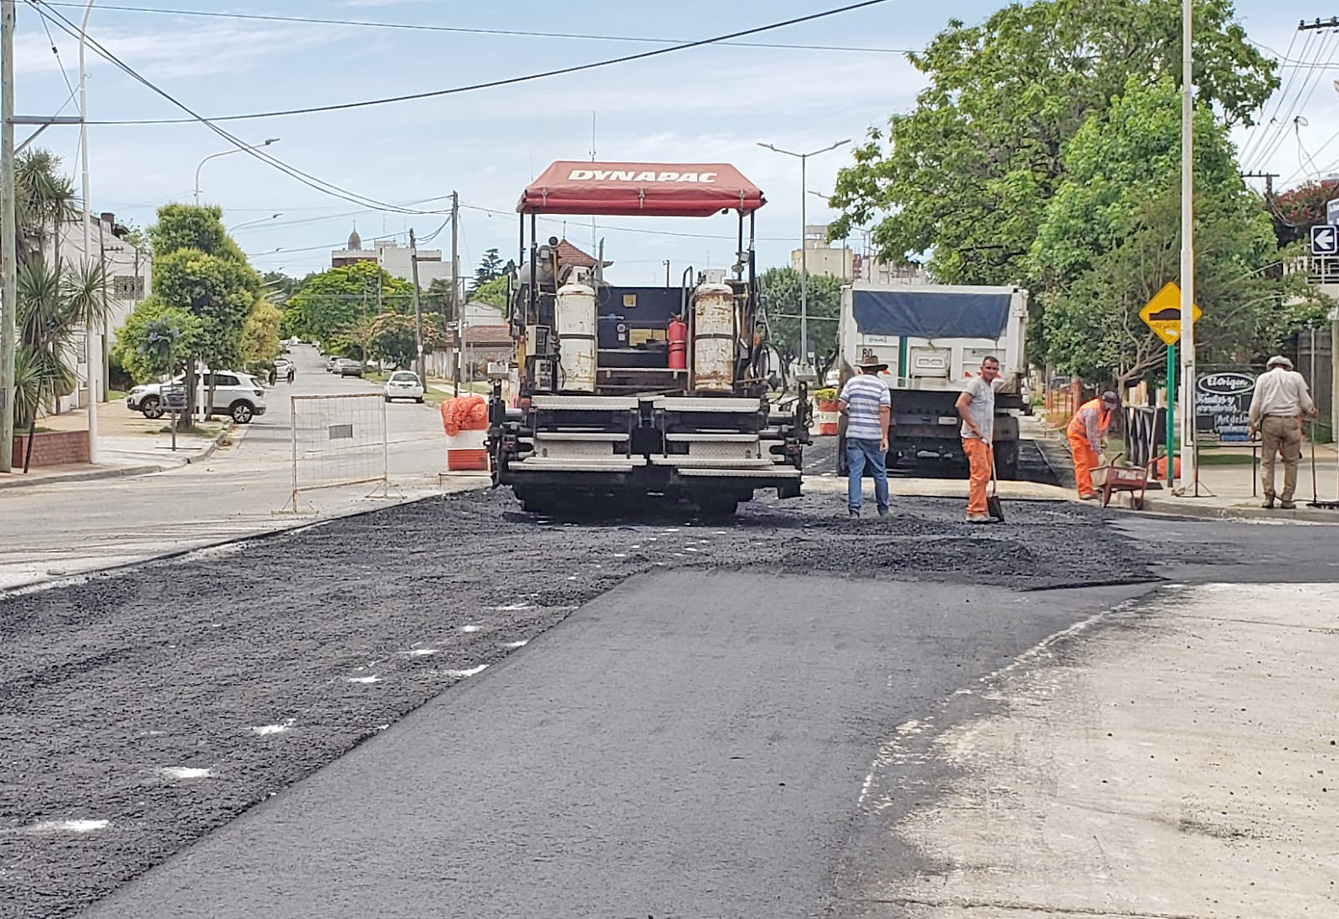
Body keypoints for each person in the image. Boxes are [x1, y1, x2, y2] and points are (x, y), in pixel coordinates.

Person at [1248, 355, 1317, 509]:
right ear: (1287, 367)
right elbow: (1306, 402)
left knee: (1267, 460)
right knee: (1291, 461)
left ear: (1271, 366)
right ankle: (1287, 498)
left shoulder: (1263, 378)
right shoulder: (1296, 377)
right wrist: (1312, 412)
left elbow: (1256, 403)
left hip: (1270, 421)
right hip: (1291, 421)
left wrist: (1253, 424)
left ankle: (1268, 495)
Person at [838, 357, 891, 518]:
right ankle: (883, 509)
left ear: (862, 369)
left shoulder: (852, 383)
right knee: (879, 473)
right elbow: (884, 410)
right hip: (874, 436)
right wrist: (884, 436)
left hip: (854, 434)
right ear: (878, 370)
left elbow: (840, 405)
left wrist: (851, 414)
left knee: (855, 472)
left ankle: (854, 509)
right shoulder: (882, 385)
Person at [956, 356, 1000, 523]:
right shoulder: (975, 384)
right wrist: (974, 426)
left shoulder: (990, 387)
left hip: (984, 439)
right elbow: (961, 404)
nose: (991, 371)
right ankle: (974, 512)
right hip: (974, 438)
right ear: (981, 368)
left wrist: (988, 436)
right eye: (988, 368)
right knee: (979, 475)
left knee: (985, 474)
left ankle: (981, 509)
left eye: (994, 369)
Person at [1067, 391, 1120, 500]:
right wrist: (1099, 452)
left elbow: (1103, 425)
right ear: (1103, 401)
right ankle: (1083, 491)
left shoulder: (1106, 410)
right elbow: (1090, 434)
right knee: (1082, 463)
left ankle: (1091, 488)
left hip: (1088, 437)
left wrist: (1104, 438)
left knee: (1093, 464)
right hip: (1077, 436)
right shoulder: (1092, 411)